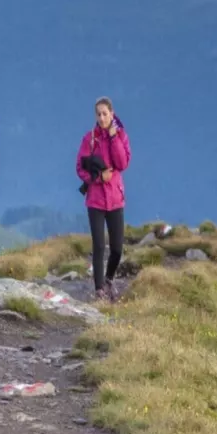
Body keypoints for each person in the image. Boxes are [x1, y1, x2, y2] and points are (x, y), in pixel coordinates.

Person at [76, 96, 132, 301]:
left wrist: (114, 137)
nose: (101, 117)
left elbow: (122, 163)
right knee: (99, 245)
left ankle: (109, 279)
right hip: (96, 200)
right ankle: (99, 289)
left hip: (116, 199)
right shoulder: (89, 139)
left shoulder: (122, 136)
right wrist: (99, 177)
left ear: (112, 113)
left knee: (117, 248)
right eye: (98, 114)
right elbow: (80, 168)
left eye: (105, 113)